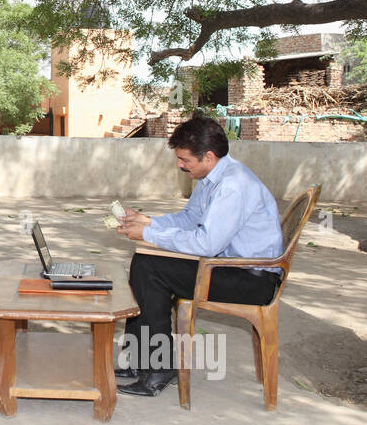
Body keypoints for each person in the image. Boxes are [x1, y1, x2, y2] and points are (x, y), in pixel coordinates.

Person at [114, 113, 284, 397]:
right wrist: (149, 223)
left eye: (185, 161)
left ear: (208, 156)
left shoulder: (232, 186)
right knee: (144, 262)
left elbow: (206, 244)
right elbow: (191, 218)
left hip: (252, 280)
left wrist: (148, 235)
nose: (180, 165)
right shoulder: (211, 177)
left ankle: (158, 366)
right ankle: (141, 359)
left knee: (150, 267)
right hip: (229, 266)